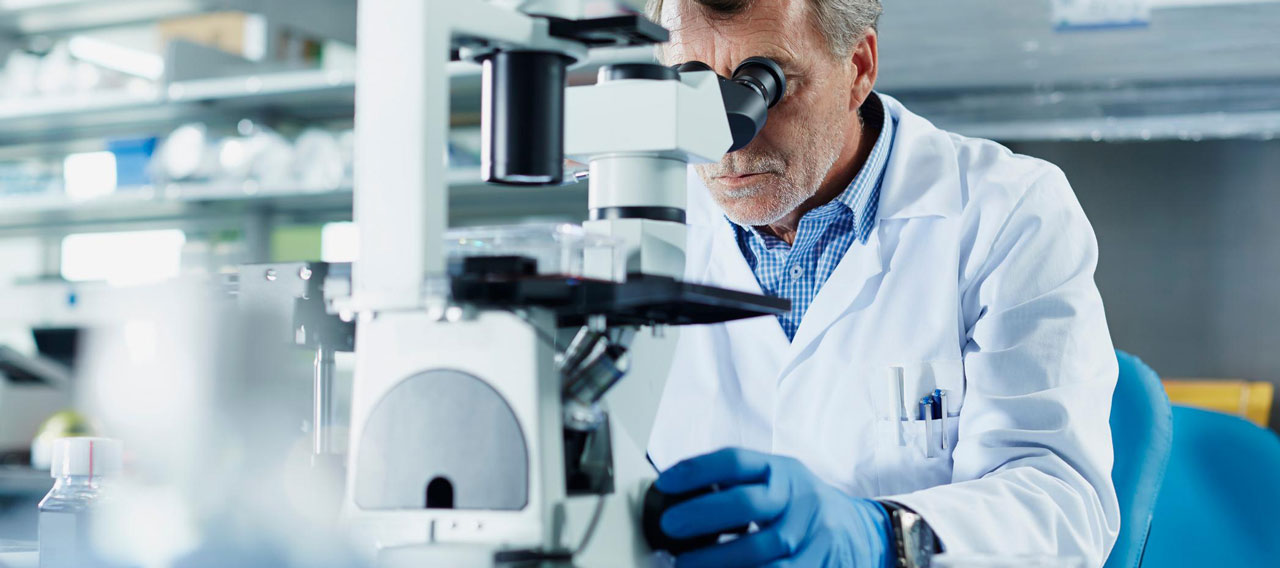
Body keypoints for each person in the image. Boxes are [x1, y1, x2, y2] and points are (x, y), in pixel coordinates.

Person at [643, 0, 1121, 566]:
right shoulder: (629, 217)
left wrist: (880, 537)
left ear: (858, 68)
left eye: (764, 84)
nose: (730, 140)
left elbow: (1061, 508)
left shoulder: (1010, 215)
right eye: (694, 87)